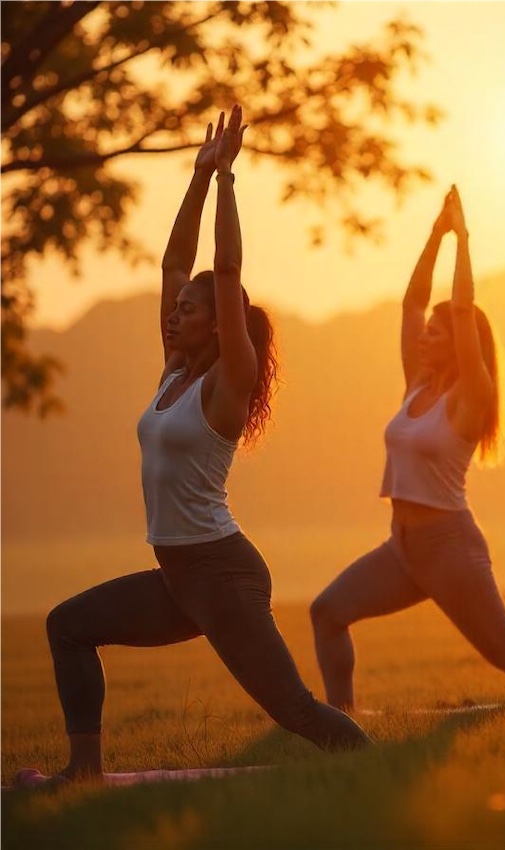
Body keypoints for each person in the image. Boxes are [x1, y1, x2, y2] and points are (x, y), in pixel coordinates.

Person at [22, 107, 370, 787]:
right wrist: (197, 174)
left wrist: (229, 181)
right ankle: (83, 772)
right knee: (68, 626)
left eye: (189, 308)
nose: (174, 311)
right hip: (178, 579)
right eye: (175, 307)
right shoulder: (174, 373)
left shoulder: (225, 385)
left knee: (295, 709)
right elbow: (175, 262)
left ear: (222, 325)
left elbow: (224, 266)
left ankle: (380, 773)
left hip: (222, 575)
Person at [310, 187, 505, 712]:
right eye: (425, 333)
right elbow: (411, 302)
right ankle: (341, 722)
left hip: (451, 550)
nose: (423, 338)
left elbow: (464, 308)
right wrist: (434, 234)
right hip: (402, 546)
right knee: (327, 611)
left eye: (435, 334)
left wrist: (464, 239)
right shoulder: (416, 386)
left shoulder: (471, 396)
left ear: (459, 344)